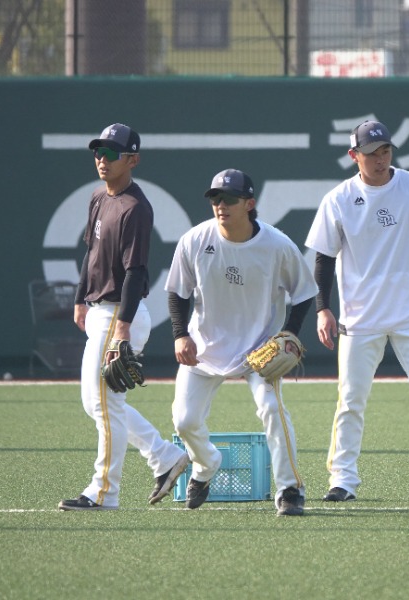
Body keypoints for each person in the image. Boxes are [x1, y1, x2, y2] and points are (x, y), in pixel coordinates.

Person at [305, 120, 409, 503]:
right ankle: (343, 480)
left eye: (385, 151)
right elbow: (324, 259)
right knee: (350, 400)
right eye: (370, 153)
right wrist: (322, 309)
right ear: (354, 156)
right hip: (360, 319)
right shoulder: (339, 198)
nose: (379, 159)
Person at [165, 168, 317, 516]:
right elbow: (177, 291)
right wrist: (179, 334)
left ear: (249, 203)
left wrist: (290, 332)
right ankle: (205, 467)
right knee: (184, 420)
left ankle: (290, 490)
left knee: (273, 410)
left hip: (258, 350)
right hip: (205, 346)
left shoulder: (277, 245)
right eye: (216, 199)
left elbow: (305, 292)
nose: (221, 205)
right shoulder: (195, 239)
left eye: (230, 199)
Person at [59, 123, 189, 511]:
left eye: (112, 153)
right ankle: (165, 457)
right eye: (98, 151)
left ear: (133, 159)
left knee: (103, 403)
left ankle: (103, 491)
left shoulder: (136, 207)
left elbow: (136, 272)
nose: (102, 158)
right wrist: (81, 298)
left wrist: (123, 328)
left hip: (120, 312)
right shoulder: (99, 198)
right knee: (96, 402)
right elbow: (91, 254)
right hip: (99, 309)